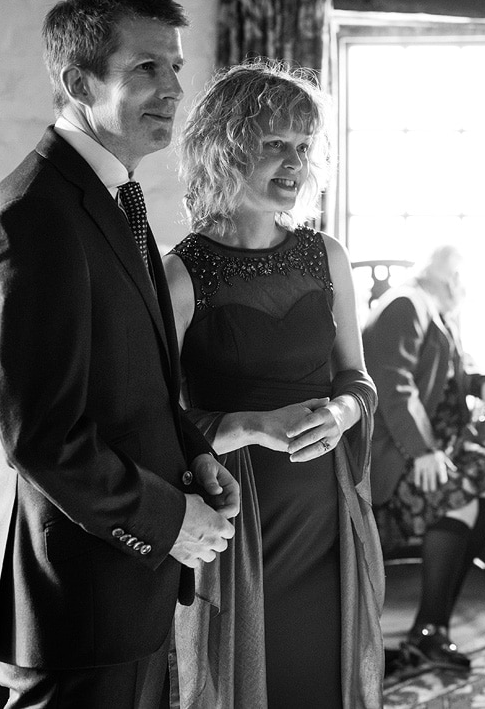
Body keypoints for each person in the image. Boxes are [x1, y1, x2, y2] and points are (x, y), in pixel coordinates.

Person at [0, 0, 239, 708]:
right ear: (79, 83)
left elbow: (138, 375)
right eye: (146, 69)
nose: (174, 89)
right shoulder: (30, 219)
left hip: (123, 590)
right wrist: (171, 521)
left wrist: (195, 455)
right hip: (74, 598)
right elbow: (43, 437)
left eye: (175, 68)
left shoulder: (119, 197)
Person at [164, 60, 383, 709]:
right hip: (241, 519)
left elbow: (358, 378)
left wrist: (343, 412)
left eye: (303, 148)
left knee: (322, 673)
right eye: (273, 145)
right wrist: (254, 424)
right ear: (226, 148)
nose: (293, 164)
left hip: (329, 505)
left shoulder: (327, 256)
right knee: (250, 680)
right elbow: (151, 418)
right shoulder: (181, 274)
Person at [363, 244, 485, 672]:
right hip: (397, 455)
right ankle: (431, 629)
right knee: (462, 497)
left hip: (441, 442)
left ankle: (433, 626)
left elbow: (452, 373)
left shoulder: (435, 311)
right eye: (462, 279)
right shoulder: (406, 304)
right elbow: (391, 386)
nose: (465, 288)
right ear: (450, 279)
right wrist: (424, 452)